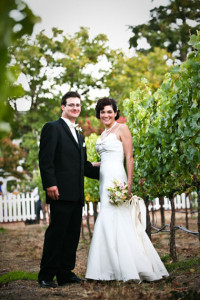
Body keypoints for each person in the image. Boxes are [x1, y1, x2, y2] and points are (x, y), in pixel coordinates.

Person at [85, 97, 169, 282]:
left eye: (109, 111)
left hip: (117, 180)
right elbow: (106, 159)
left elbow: (128, 157)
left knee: (120, 219)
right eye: (102, 111)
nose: (106, 115)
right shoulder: (103, 134)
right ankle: (109, 269)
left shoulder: (122, 129)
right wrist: (90, 163)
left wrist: (129, 184)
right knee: (107, 218)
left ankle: (131, 267)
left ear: (116, 112)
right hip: (104, 181)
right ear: (99, 114)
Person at [38, 91, 99, 288]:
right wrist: (50, 183)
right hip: (59, 192)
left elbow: (84, 166)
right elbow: (46, 159)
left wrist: (110, 167)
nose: (75, 108)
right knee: (57, 233)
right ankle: (46, 275)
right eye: (71, 105)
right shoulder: (52, 128)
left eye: (78, 105)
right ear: (63, 107)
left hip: (76, 194)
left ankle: (65, 273)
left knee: (72, 234)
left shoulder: (80, 135)